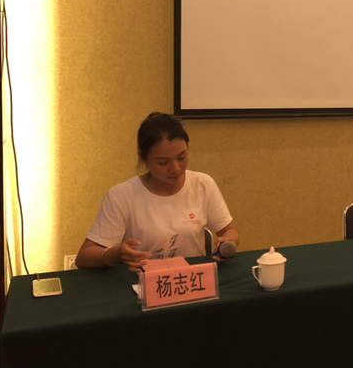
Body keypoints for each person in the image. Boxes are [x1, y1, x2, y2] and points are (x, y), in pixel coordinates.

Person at [75, 112, 240, 273]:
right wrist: (116, 254)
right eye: (162, 162)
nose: (175, 168)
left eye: (181, 157)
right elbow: (83, 258)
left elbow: (229, 232)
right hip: (142, 282)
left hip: (191, 280)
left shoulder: (203, 184)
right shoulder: (121, 196)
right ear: (142, 157)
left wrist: (226, 244)